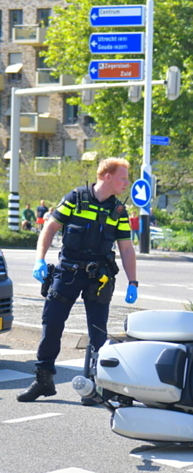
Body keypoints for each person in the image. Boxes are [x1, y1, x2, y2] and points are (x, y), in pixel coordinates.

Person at [18, 158, 140, 405]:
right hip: (68, 272)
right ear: (107, 176)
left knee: (97, 333)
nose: (127, 183)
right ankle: (43, 379)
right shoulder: (76, 198)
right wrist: (39, 259)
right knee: (51, 323)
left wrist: (133, 282)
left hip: (99, 277)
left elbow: (126, 249)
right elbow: (50, 228)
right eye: (123, 178)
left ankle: (95, 386)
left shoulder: (118, 211)